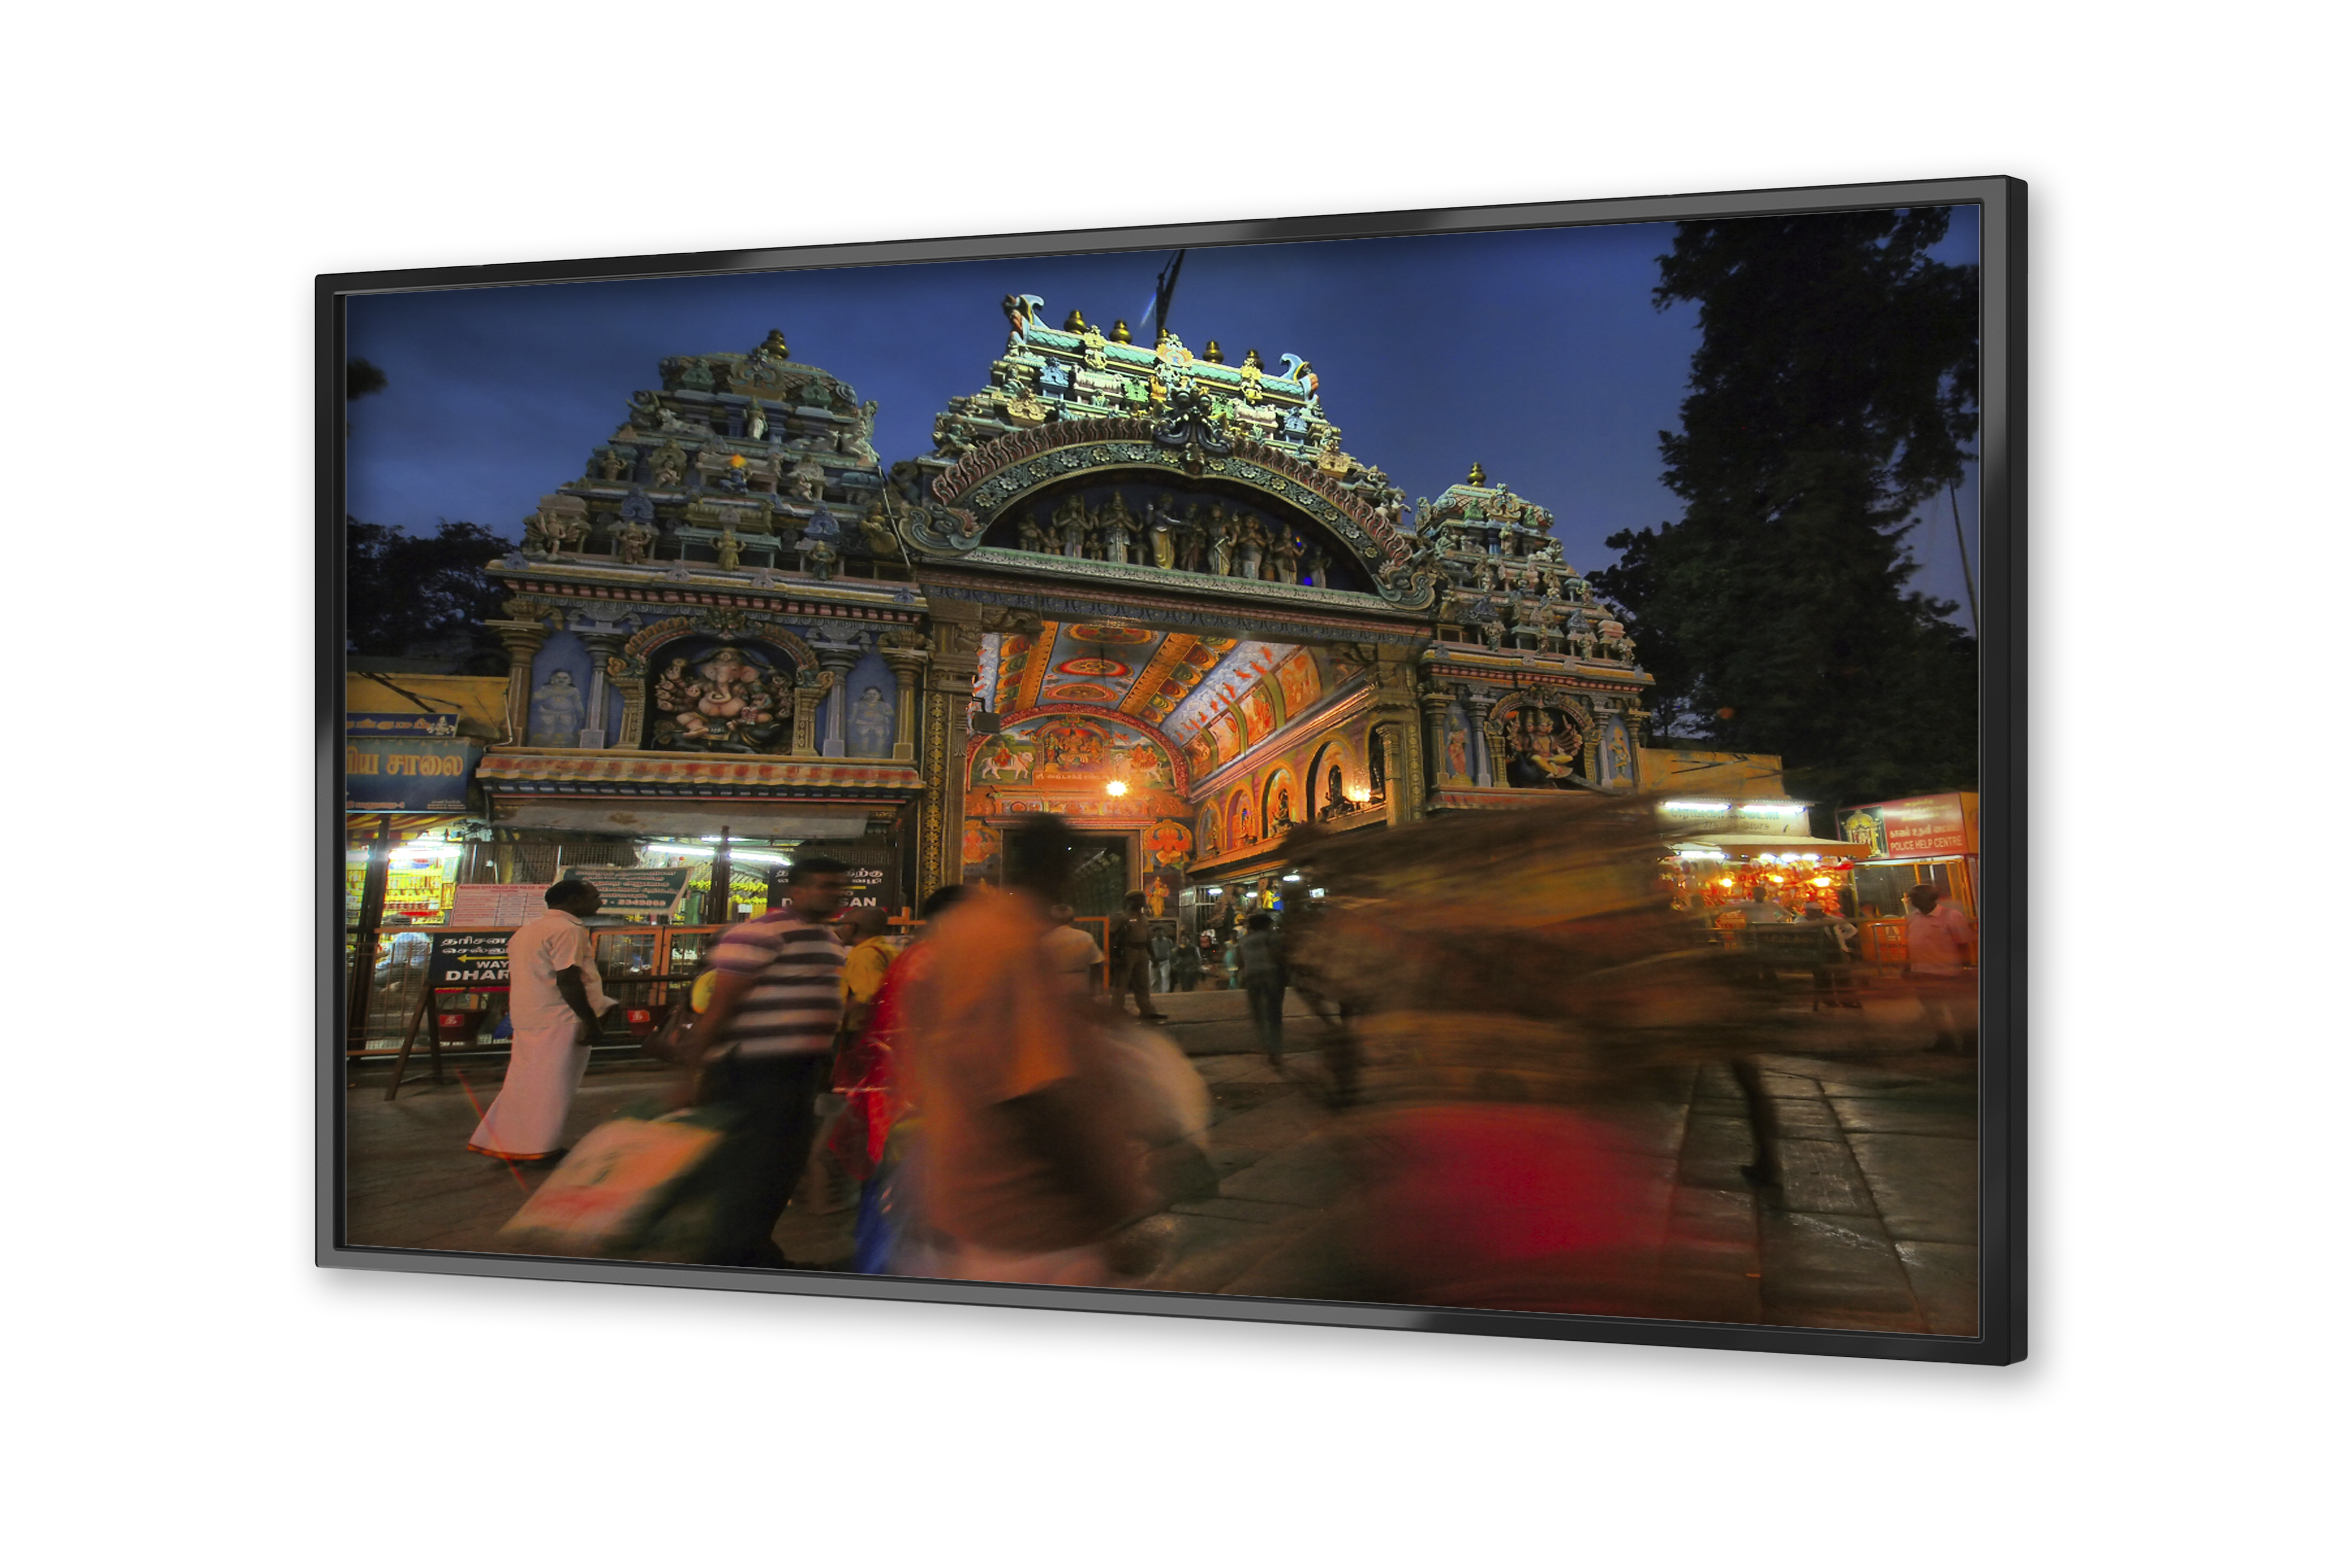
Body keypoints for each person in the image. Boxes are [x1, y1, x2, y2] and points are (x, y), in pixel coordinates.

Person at [894, 815, 1153, 1285]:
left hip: (955, 1194)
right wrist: (1103, 1202)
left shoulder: (961, 933)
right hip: (1028, 1216)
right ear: (1060, 871)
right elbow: (1039, 1095)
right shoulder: (1013, 944)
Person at [676, 855, 852, 1267]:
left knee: (781, 1166)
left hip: (799, 1069)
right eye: (826, 885)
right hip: (757, 1069)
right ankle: (731, 1257)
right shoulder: (759, 933)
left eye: (840, 887)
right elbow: (720, 1007)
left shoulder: (827, 939)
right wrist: (689, 1075)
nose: (837, 894)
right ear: (796, 890)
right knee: (756, 1166)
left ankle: (752, 1250)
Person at [467, 881, 617, 1163]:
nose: (599, 902)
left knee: (523, 1083)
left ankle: (506, 1142)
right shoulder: (567, 930)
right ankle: (538, 1147)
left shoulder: (528, 930)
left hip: (531, 1015)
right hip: (559, 1017)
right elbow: (568, 979)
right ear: (574, 900)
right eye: (594, 896)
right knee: (552, 1088)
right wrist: (589, 1020)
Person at [1903, 884, 1977, 1055]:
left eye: (1914, 897)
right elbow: (1910, 944)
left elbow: (1963, 943)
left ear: (1929, 898)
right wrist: (1907, 967)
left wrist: (1965, 967)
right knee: (1933, 1011)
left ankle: (1971, 1044)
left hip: (1948, 973)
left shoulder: (1951, 916)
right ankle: (1944, 1041)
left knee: (1958, 1010)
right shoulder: (1912, 918)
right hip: (1921, 973)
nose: (1911, 901)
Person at [1232, 911, 1287, 1067]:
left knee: (1258, 1014)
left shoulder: (1244, 941)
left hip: (1252, 977)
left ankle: (1267, 1046)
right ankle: (1276, 1050)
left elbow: (1238, 961)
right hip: (1271, 975)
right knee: (1274, 1014)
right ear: (1266, 925)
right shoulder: (1271, 937)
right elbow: (1278, 955)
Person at [1111, 892, 1166, 1021]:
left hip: (1142, 951)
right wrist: (1115, 956)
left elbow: (1147, 938)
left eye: (1142, 899)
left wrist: (1153, 956)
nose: (1141, 902)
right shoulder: (1122, 917)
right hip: (1127, 950)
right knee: (1121, 983)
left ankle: (1147, 1010)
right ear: (1129, 901)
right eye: (1138, 899)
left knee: (1143, 982)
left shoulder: (1144, 917)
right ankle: (1116, 1010)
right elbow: (1111, 936)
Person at [1041, 904, 1106, 1003]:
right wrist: (1096, 987)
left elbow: (1041, 967)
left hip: (1055, 984)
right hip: (1081, 982)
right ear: (1072, 919)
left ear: (1052, 920)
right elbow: (1097, 963)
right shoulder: (1085, 937)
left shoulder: (1046, 940)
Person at [1803, 903, 1860, 1010]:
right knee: (1827, 976)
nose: (1808, 913)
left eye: (1811, 911)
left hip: (1835, 951)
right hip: (1822, 952)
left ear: (1819, 911)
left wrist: (1840, 938)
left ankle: (1844, 1000)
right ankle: (1832, 1001)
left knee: (1841, 976)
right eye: (1808, 911)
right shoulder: (1803, 920)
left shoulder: (1834, 919)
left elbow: (1852, 930)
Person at [1147, 922, 1174, 997]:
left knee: (1165, 977)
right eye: (1157, 932)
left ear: (1163, 933)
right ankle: (1157, 993)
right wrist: (1151, 959)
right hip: (1154, 962)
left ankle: (1165, 993)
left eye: (1161, 931)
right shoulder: (1151, 942)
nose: (1159, 933)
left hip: (1165, 961)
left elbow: (1171, 950)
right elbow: (1148, 952)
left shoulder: (1168, 941)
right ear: (1155, 933)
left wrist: (1172, 960)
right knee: (1154, 979)